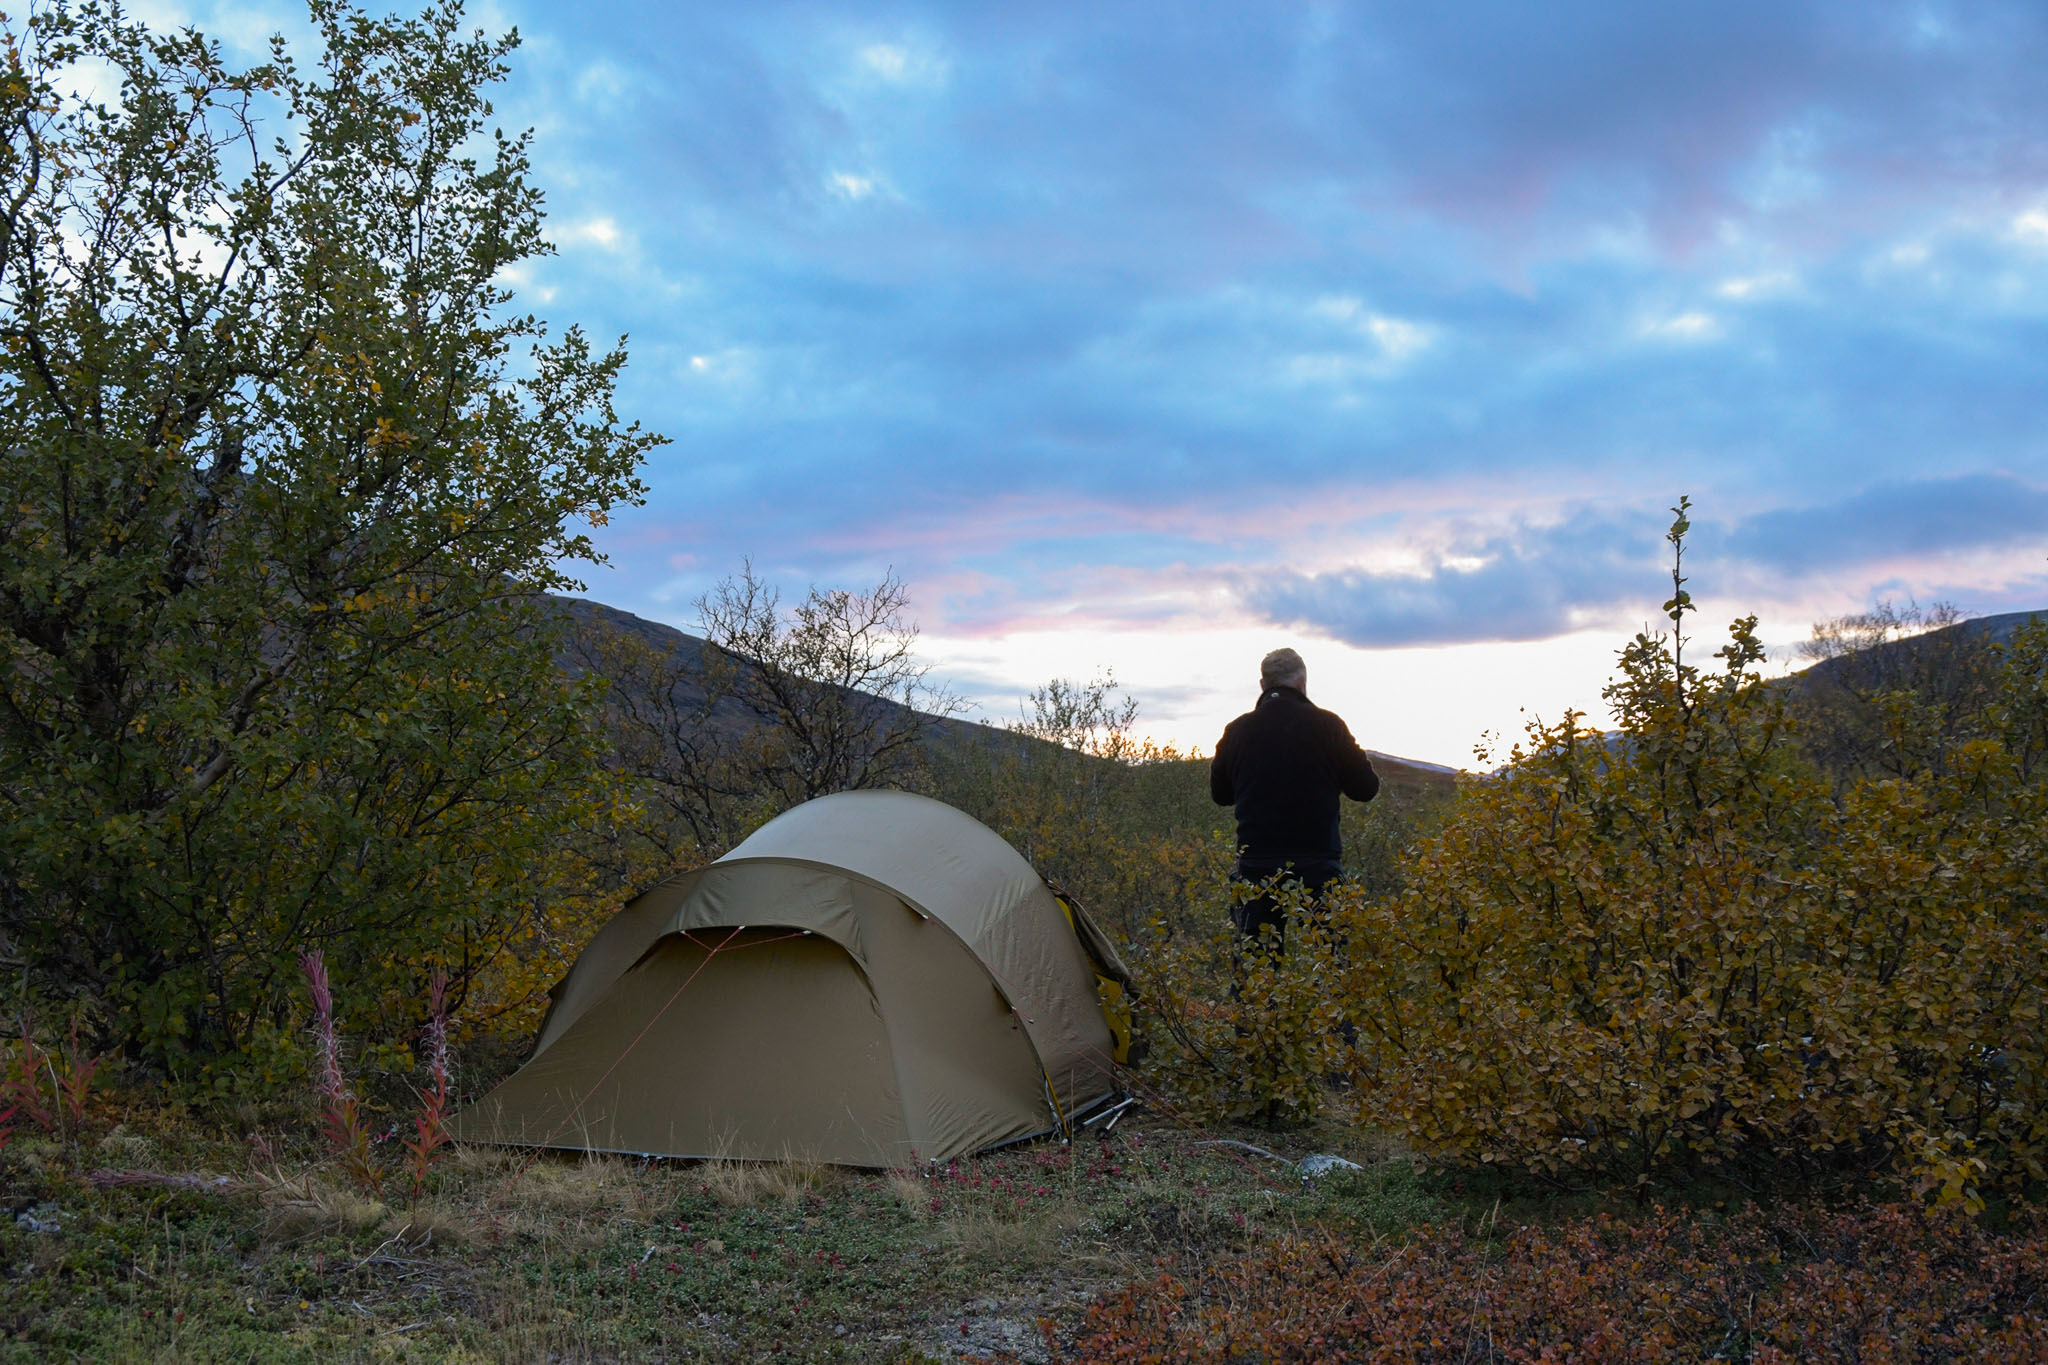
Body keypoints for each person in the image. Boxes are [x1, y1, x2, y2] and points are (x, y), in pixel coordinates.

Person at [1209, 647, 1379, 944]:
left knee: (1255, 974)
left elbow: (1220, 794)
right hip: (1318, 866)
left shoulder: (1236, 731)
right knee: (1332, 968)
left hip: (1256, 868)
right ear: (1302, 683)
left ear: (1263, 685)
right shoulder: (1329, 726)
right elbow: (1366, 789)